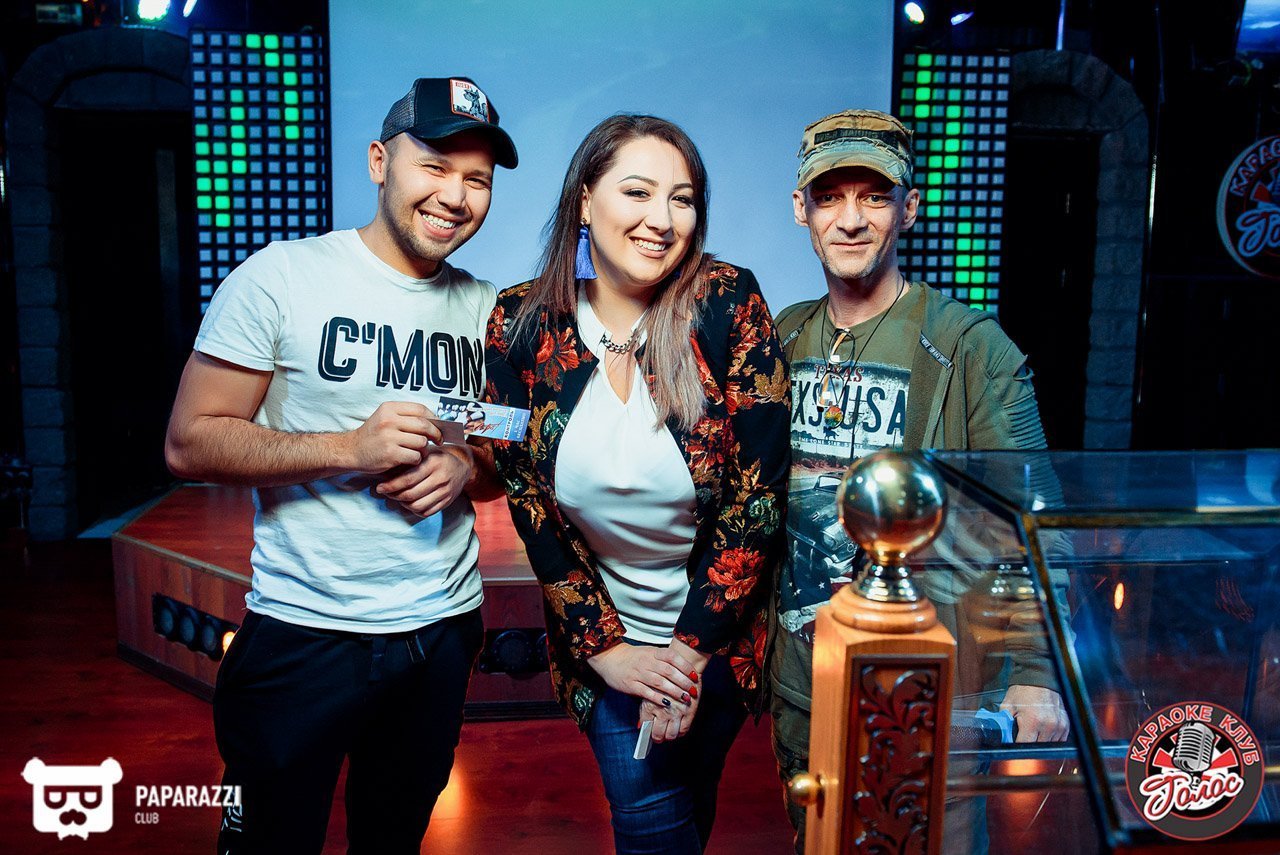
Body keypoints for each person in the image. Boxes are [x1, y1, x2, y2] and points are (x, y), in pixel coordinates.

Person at [163, 76, 517, 855]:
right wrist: (347, 448)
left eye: (478, 179)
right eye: (435, 166)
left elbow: (499, 460)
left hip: (439, 632)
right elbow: (190, 441)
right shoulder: (282, 276)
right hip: (304, 631)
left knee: (392, 840)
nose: (455, 196)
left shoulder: (490, 308)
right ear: (379, 162)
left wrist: (465, 468)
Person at [485, 114, 790, 854]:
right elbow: (526, 497)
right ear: (585, 200)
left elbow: (757, 497)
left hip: (716, 638)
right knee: (648, 815)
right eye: (638, 192)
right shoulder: (519, 324)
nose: (661, 219)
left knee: (691, 806)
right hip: (604, 642)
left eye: (681, 199)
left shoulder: (728, 303)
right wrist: (608, 653)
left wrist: (686, 658)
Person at [768, 109, 1071, 852]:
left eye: (874, 197)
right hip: (804, 687)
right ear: (801, 208)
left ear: (910, 208)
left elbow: (1033, 517)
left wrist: (1037, 671)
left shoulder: (971, 348)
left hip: (925, 695)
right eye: (830, 197)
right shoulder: (782, 334)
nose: (850, 220)